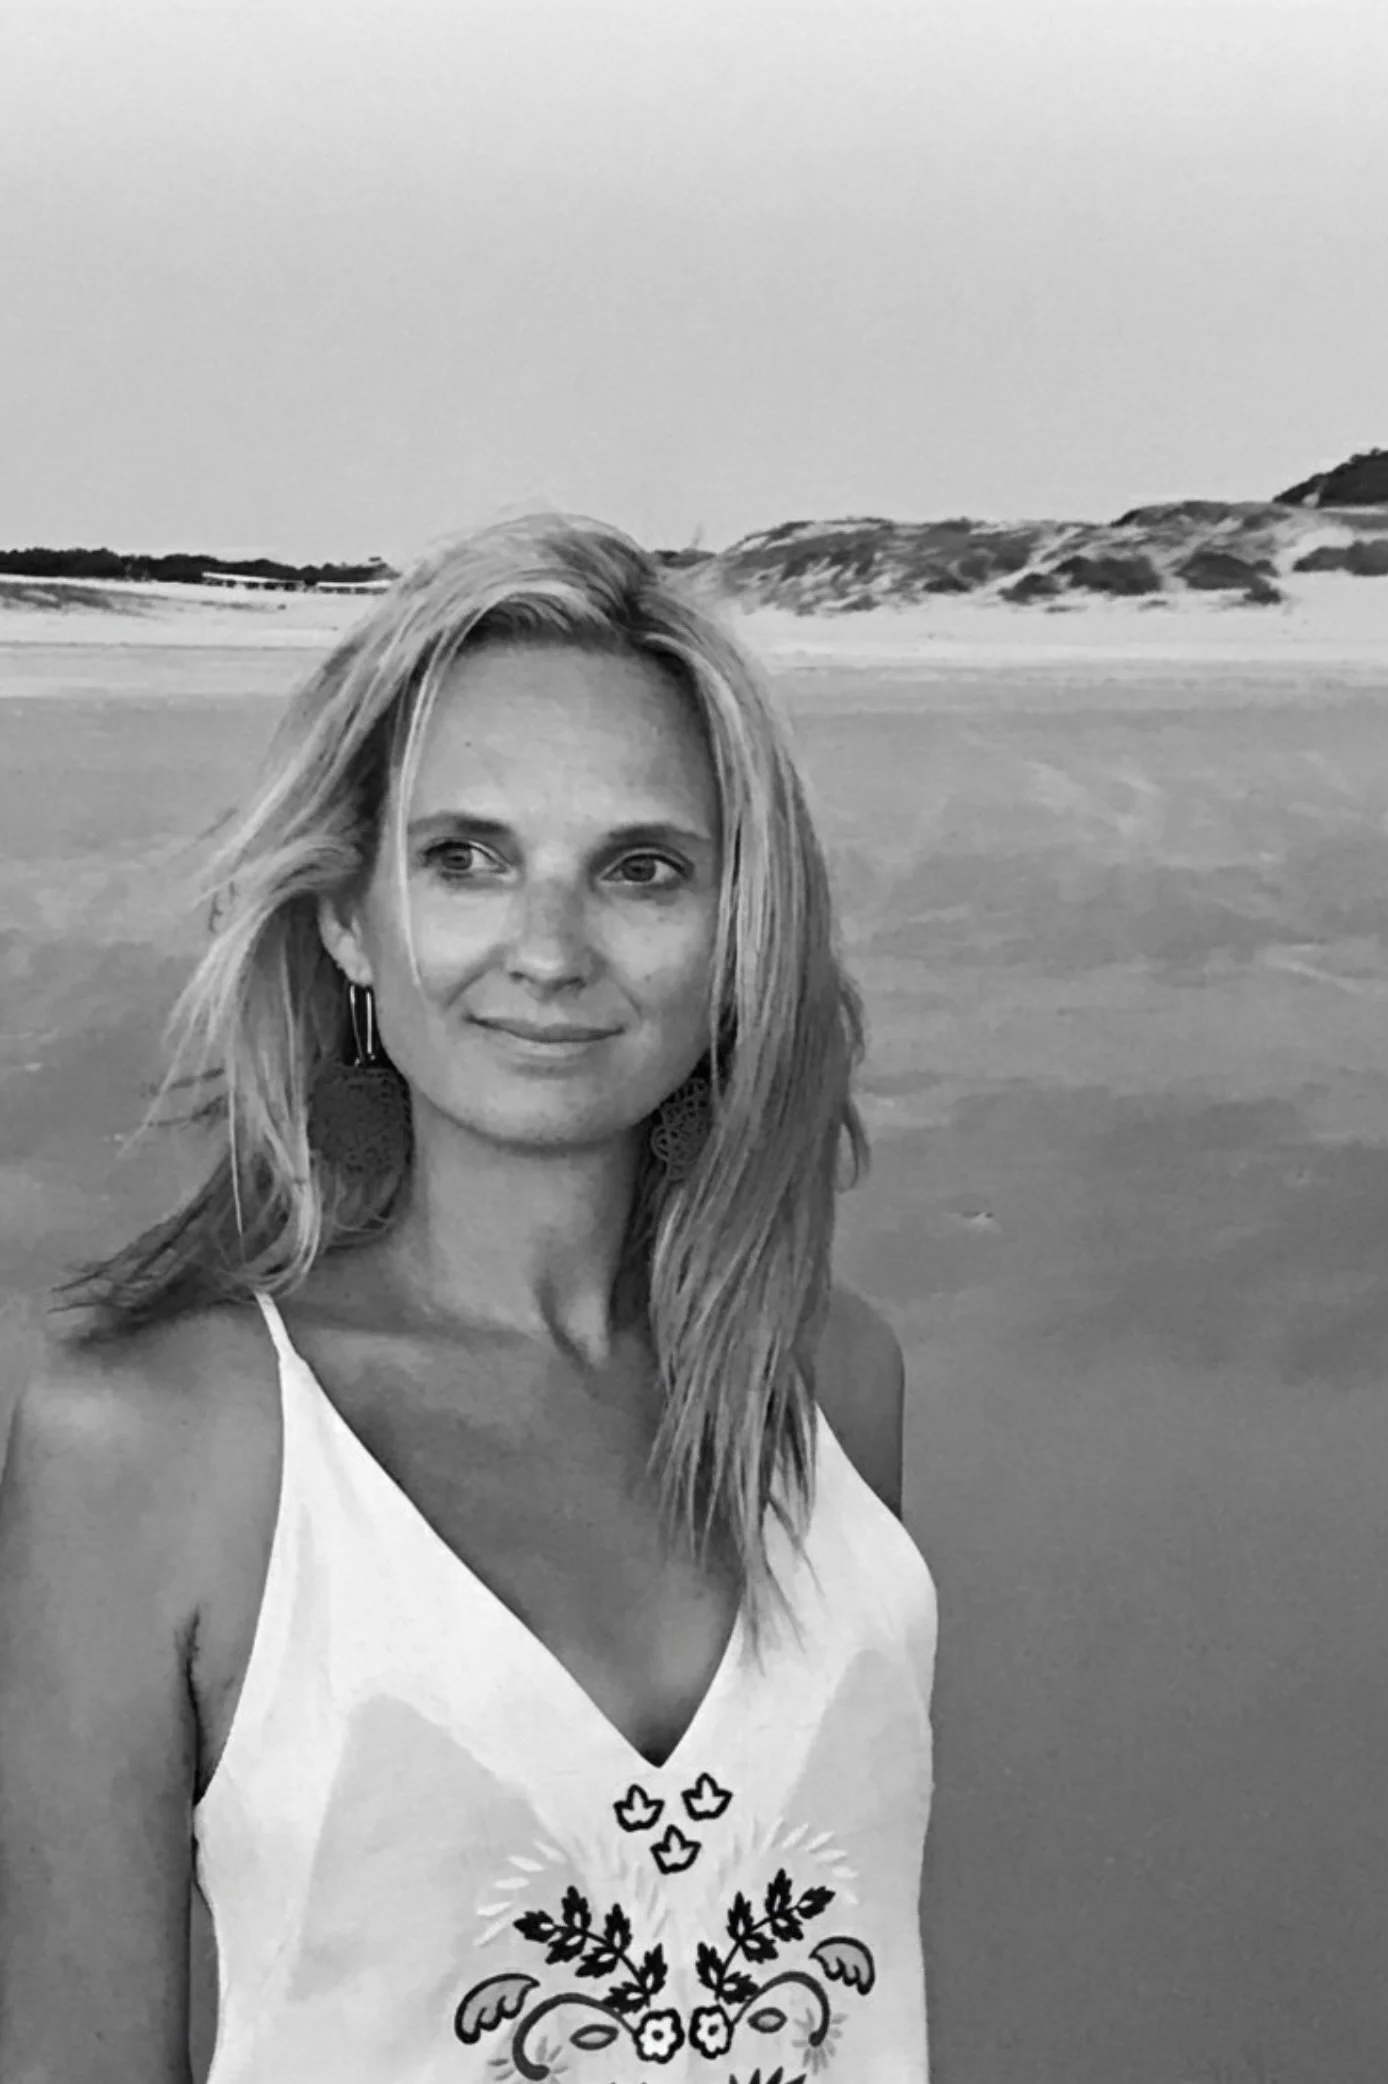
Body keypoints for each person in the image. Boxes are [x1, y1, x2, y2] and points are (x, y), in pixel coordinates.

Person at [0, 515, 938, 2083]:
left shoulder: (829, 1384)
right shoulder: (161, 1443)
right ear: (350, 920)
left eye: (640, 869)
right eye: (467, 859)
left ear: (737, 930)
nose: (549, 950)